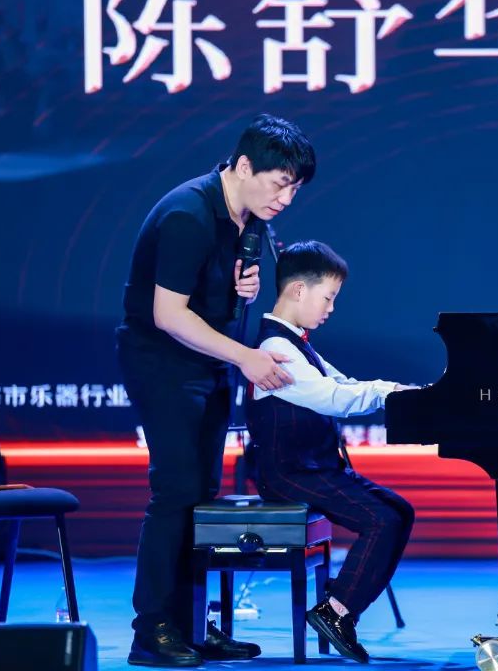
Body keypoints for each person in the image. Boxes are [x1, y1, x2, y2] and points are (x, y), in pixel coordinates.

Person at [116, 114, 315, 667]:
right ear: (245, 166)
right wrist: (246, 358)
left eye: (295, 189)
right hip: (163, 361)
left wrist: (242, 289)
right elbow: (168, 315)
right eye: (280, 184)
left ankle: (190, 621)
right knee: (175, 491)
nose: (285, 199)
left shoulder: (245, 219)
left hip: (208, 360)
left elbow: (210, 297)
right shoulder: (188, 214)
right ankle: (152, 630)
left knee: (201, 494)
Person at [241, 240, 416, 664]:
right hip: (289, 473)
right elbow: (333, 399)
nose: (331, 308)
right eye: (329, 297)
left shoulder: (297, 343)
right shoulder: (276, 349)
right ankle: (336, 611)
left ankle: (339, 608)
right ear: (299, 290)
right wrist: (391, 392)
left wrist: (405, 392)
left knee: (400, 510)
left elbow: (344, 383)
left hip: (315, 467)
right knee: (382, 519)